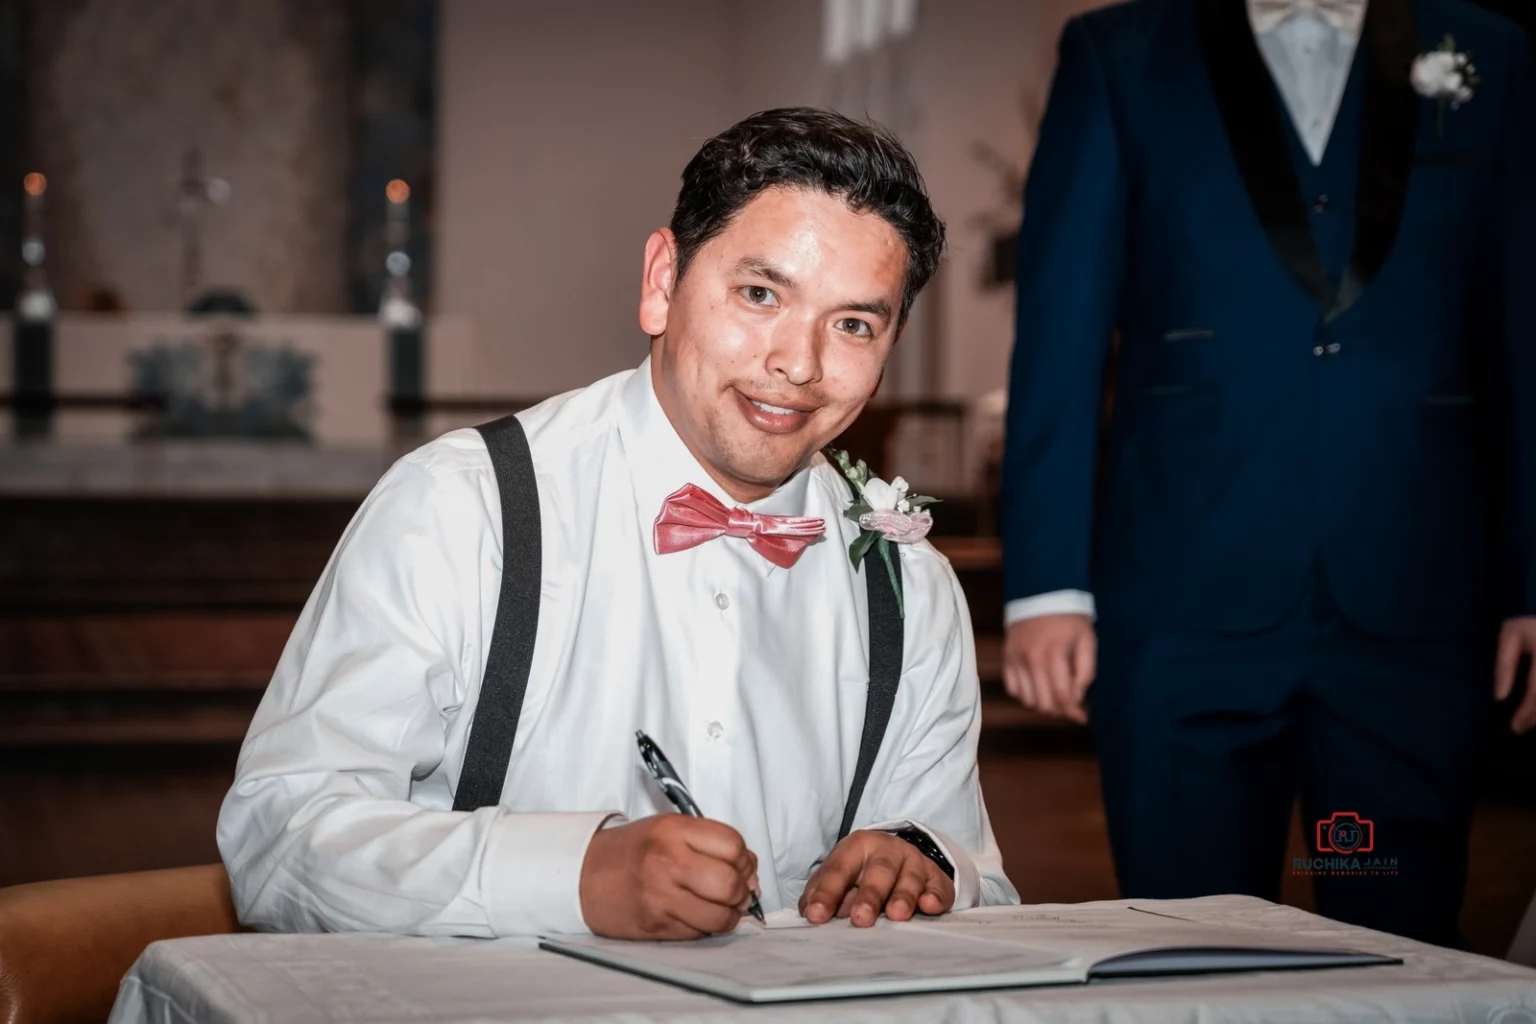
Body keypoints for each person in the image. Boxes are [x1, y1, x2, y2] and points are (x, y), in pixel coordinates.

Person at [218, 108, 1018, 941]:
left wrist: (920, 861)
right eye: (759, 294)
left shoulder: (906, 584)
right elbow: (279, 839)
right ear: (662, 282)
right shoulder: (462, 511)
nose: (800, 363)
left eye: (853, 323)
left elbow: (976, 871)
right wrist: (574, 876)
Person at [1001, 0, 1535, 947]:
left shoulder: (1484, 52)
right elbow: (1061, 331)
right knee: (1191, 948)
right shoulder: (1120, 53)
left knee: (1404, 950)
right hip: (1179, 601)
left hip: (1416, 597)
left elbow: (1525, 335)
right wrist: (1047, 580)